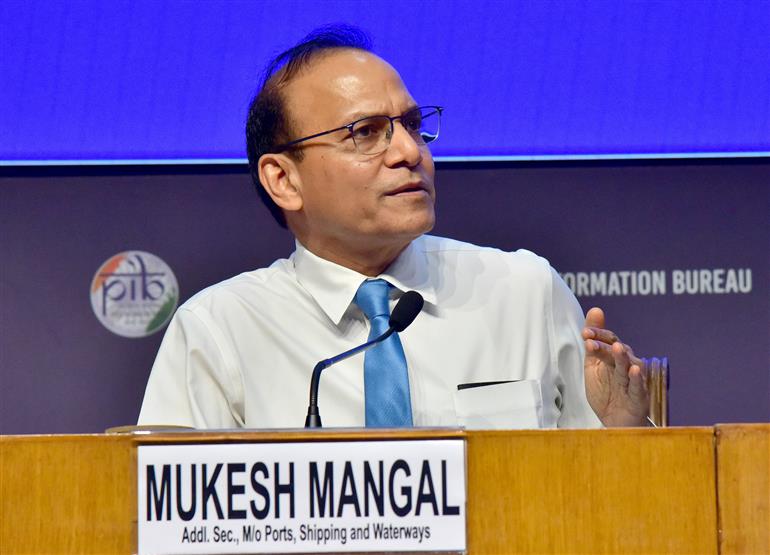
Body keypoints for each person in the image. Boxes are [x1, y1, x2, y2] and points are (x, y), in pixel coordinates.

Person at [138, 26, 649, 430]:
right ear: (283, 179)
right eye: (365, 133)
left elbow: (603, 493)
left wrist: (623, 432)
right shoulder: (218, 331)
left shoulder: (523, 293)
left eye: (411, 125)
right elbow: (169, 511)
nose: (409, 152)